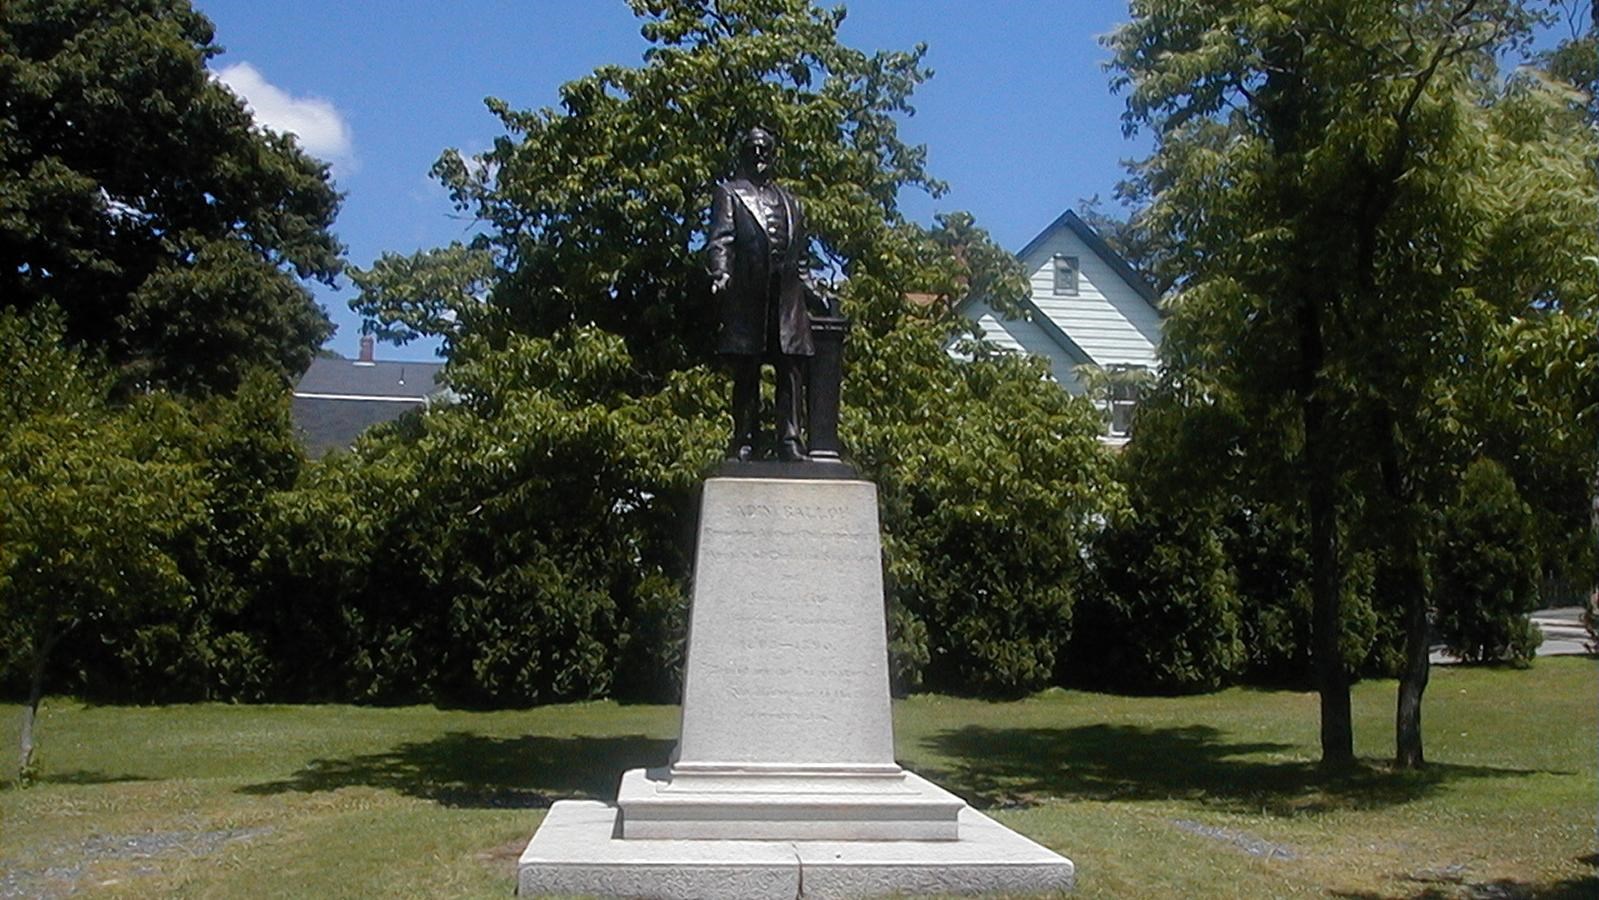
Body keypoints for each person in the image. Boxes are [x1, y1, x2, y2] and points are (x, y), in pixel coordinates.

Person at [706, 126, 826, 462]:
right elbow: (721, 240)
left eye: (764, 149)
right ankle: (744, 440)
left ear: (773, 155)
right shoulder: (730, 193)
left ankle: (790, 439)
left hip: (786, 299)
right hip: (749, 297)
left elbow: (800, 259)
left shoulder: (793, 204)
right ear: (743, 154)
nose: (759, 155)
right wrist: (721, 273)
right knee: (748, 371)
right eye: (753, 149)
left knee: (790, 368)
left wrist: (814, 290)